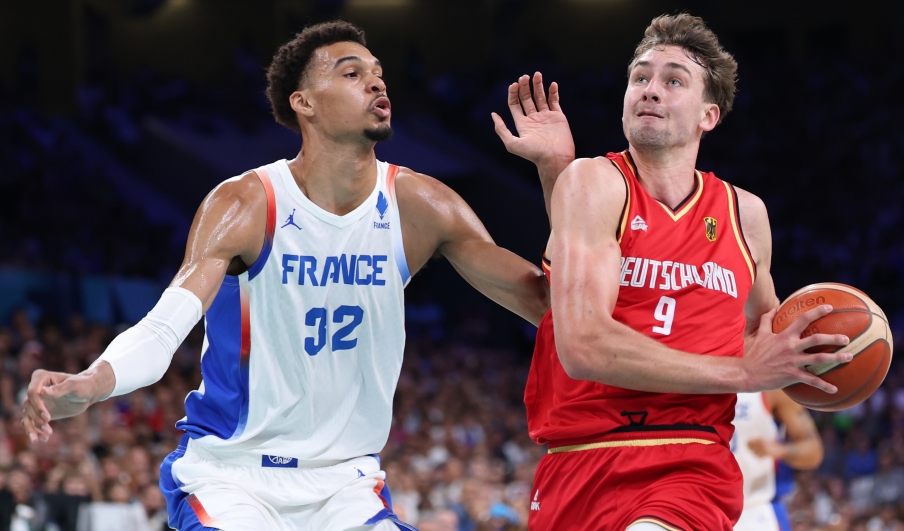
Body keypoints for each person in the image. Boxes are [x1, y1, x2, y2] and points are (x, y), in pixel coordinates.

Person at [20, 21, 574, 531]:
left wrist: (556, 176)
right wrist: (92, 384)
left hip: (344, 483)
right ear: (303, 102)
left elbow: (550, 305)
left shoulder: (421, 205)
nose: (377, 84)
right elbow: (165, 329)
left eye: (378, 73)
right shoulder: (245, 203)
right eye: (352, 73)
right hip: (233, 475)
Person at [500, 13, 854, 531]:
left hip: (691, 461)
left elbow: (770, 330)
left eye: (673, 81)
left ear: (708, 116)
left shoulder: (745, 215)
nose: (650, 90)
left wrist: (830, 356)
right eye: (640, 77)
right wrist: (743, 373)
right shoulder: (595, 182)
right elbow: (582, 348)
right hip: (576, 462)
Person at [732, 391, 823, 531]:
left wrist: (780, 450)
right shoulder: (695, 380)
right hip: (702, 506)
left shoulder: (771, 389)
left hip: (756, 510)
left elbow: (814, 451)